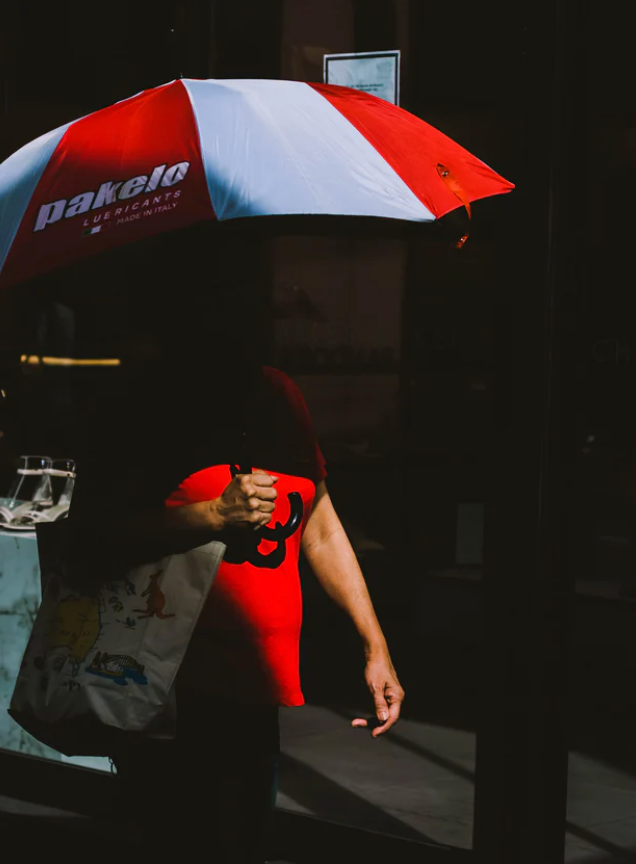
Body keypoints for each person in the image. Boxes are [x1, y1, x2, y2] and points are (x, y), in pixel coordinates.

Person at [67, 260, 404, 864]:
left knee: (244, 842)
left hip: (257, 682)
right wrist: (211, 516)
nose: (257, 322)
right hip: (167, 682)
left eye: (260, 306)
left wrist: (373, 642)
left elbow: (320, 529)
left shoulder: (278, 394)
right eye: (234, 304)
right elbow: (94, 534)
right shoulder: (141, 400)